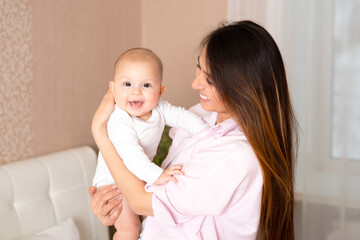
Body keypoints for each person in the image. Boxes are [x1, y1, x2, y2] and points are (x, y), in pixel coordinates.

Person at [89, 20, 298, 240]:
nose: (195, 84)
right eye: (199, 67)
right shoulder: (201, 115)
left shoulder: (236, 156)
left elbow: (143, 202)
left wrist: (100, 133)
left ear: (243, 87)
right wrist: (114, 203)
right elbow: (161, 206)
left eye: (210, 79)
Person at [93, 48, 210, 240]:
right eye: (127, 84)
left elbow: (183, 117)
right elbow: (132, 158)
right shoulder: (119, 120)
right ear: (113, 90)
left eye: (146, 85)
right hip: (113, 182)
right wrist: (158, 176)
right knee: (129, 229)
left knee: (148, 221)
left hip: (138, 175)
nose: (136, 91)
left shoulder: (160, 108)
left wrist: (206, 133)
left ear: (160, 91)